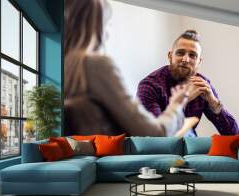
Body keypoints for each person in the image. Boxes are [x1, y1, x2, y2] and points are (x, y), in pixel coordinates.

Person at [64, 0, 188, 137]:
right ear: (100, 25)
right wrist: (176, 106)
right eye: (109, 22)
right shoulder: (96, 65)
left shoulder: (64, 68)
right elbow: (153, 133)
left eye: (193, 55)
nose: (186, 59)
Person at [137, 30, 239, 136]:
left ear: (199, 61)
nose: (186, 59)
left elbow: (233, 134)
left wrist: (214, 103)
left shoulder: (203, 85)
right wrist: (182, 102)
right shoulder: (149, 85)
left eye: (192, 55)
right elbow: (158, 135)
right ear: (170, 56)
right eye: (180, 53)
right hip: (159, 150)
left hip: (189, 146)